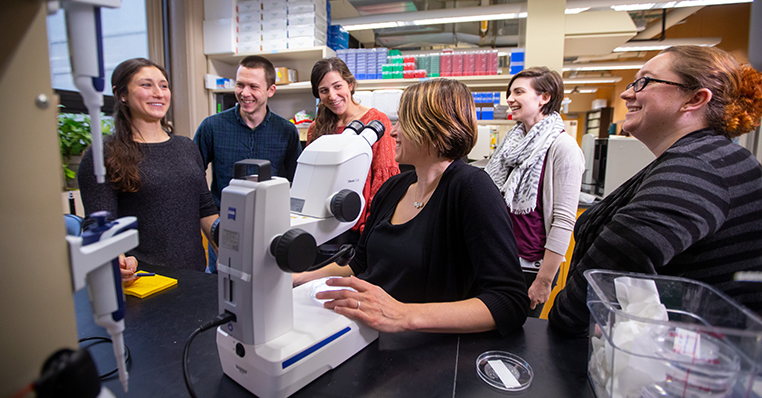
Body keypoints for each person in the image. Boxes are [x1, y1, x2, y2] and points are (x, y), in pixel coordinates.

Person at [549, 46, 762, 336]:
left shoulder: (697, 170)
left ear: (695, 99)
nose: (628, 94)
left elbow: (613, 264)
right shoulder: (705, 158)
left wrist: (563, 321)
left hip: (680, 363)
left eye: (644, 82)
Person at [294, 78, 529, 336]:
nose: (393, 132)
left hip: (425, 348)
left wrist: (405, 316)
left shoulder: (471, 188)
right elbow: (359, 264)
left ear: (431, 128)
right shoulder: (394, 187)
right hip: (369, 336)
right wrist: (299, 278)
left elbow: (509, 301)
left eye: (402, 122)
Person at [79, 58, 219, 278]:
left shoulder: (186, 147)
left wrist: (228, 253)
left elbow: (206, 210)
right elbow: (99, 225)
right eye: (146, 85)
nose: (159, 93)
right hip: (144, 279)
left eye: (163, 86)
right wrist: (116, 262)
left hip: (195, 276)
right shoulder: (103, 154)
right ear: (121, 94)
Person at [484, 67, 585, 317]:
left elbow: (563, 220)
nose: (509, 99)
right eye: (509, 92)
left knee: (516, 336)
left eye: (519, 91)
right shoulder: (510, 144)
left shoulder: (563, 148)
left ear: (545, 97)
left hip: (530, 267)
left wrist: (545, 280)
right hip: (498, 257)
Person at [194, 55, 302, 272]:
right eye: (240, 85)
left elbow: (295, 183)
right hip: (223, 228)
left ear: (271, 90)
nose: (244, 93)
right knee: (222, 291)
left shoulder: (287, 131)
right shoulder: (212, 127)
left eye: (253, 86)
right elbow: (192, 178)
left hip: (271, 229)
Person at [307, 57, 400, 243]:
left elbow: (384, 181)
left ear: (350, 84)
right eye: (324, 91)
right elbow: (311, 179)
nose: (332, 96)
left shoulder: (377, 122)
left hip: (359, 226)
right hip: (323, 223)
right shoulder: (315, 128)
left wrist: (370, 228)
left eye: (337, 86)